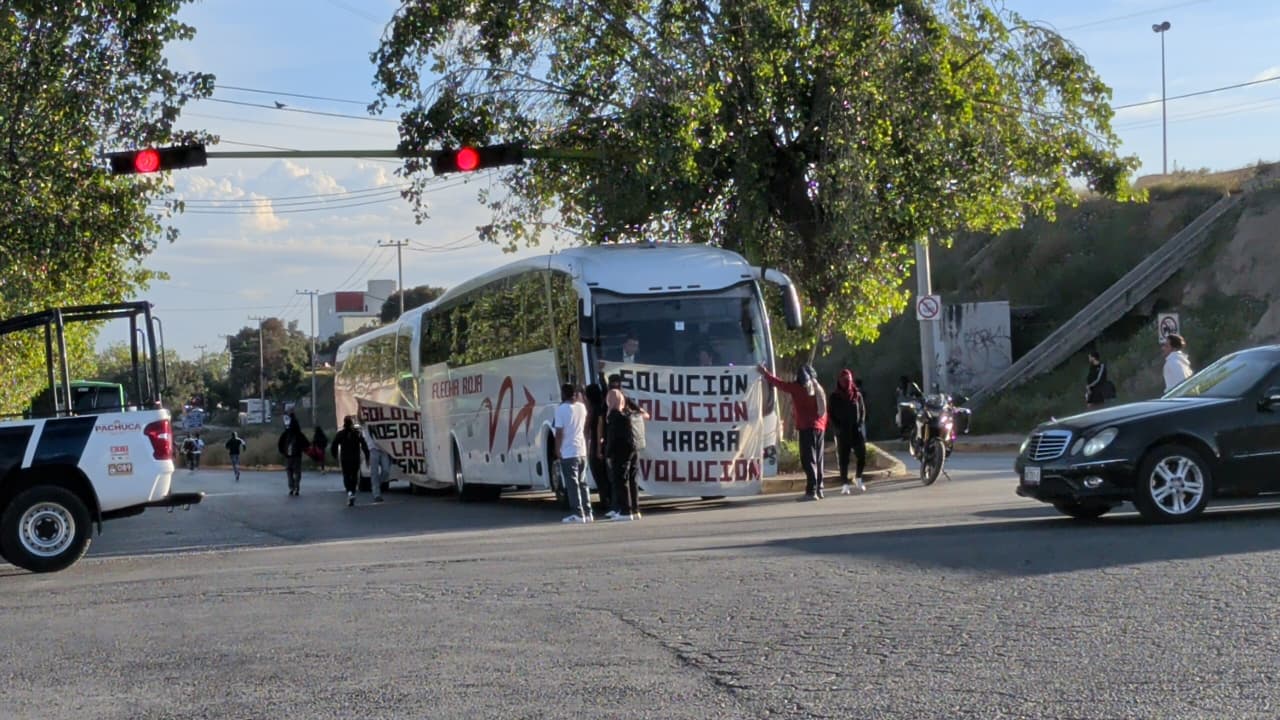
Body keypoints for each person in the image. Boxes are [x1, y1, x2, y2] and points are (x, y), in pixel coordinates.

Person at [758, 363, 828, 500]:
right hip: (820, 428)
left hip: (807, 428)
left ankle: (811, 491)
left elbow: (779, 384)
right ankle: (819, 489)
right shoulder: (818, 387)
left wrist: (765, 373)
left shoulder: (796, 388)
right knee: (819, 459)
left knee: (808, 460)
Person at [604, 384, 649, 520]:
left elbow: (612, 437)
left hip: (620, 450)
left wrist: (608, 453)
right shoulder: (633, 415)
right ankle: (635, 509)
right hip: (634, 449)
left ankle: (625, 511)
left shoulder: (614, 416)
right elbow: (644, 414)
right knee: (633, 479)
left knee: (620, 480)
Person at [554, 383, 592, 523]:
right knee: (583, 483)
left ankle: (578, 513)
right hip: (581, 450)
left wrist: (557, 449)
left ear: (563, 394)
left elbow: (559, 432)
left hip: (568, 451)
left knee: (572, 484)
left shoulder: (561, 410)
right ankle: (588, 512)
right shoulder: (581, 407)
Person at [828, 369, 867, 495]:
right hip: (842, 431)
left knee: (862, 455)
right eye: (844, 381)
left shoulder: (857, 395)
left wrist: (860, 423)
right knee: (843, 459)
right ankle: (844, 484)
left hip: (856, 429)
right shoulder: (834, 397)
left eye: (848, 380)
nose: (846, 383)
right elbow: (830, 414)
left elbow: (862, 410)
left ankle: (858, 478)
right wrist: (837, 428)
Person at [584, 368, 612, 513]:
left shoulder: (593, 411)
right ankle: (611, 501)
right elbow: (606, 390)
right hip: (607, 443)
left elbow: (588, 430)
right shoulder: (604, 405)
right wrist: (601, 376)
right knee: (608, 476)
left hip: (597, 446)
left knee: (600, 477)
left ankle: (606, 502)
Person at [331, 415, 370, 507]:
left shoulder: (341, 434)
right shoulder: (357, 433)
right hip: (355, 458)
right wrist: (367, 456)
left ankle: (349, 492)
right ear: (352, 423)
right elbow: (364, 444)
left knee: (346, 476)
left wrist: (334, 456)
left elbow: (334, 445)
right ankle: (352, 491)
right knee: (354, 476)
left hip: (345, 459)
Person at [277, 413, 310, 496]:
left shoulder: (286, 433)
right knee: (297, 472)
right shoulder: (299, 434)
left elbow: (280, 443)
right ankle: (296, 487)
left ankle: (291, 487)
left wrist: (283, 452)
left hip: (288, 456)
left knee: (289, 472)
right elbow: (307, 444)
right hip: (297, 456)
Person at [365, 423, 389, 503]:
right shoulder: (365, 423)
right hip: (373, 449)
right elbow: (361, 419)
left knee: (386, 470)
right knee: (374, 472)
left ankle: (375, 486)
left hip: (384, 449)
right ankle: (376, 494)